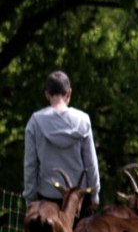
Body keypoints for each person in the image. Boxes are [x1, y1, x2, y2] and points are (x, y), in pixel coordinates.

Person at [23, 70, 100, 213]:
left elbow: (30, 165)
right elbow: (91, 163)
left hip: (46, 200)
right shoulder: (83, 120)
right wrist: (95, 194)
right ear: (69, 93)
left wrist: (30, 198)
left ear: (47, 94)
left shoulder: (35, 122)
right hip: (77, 201)